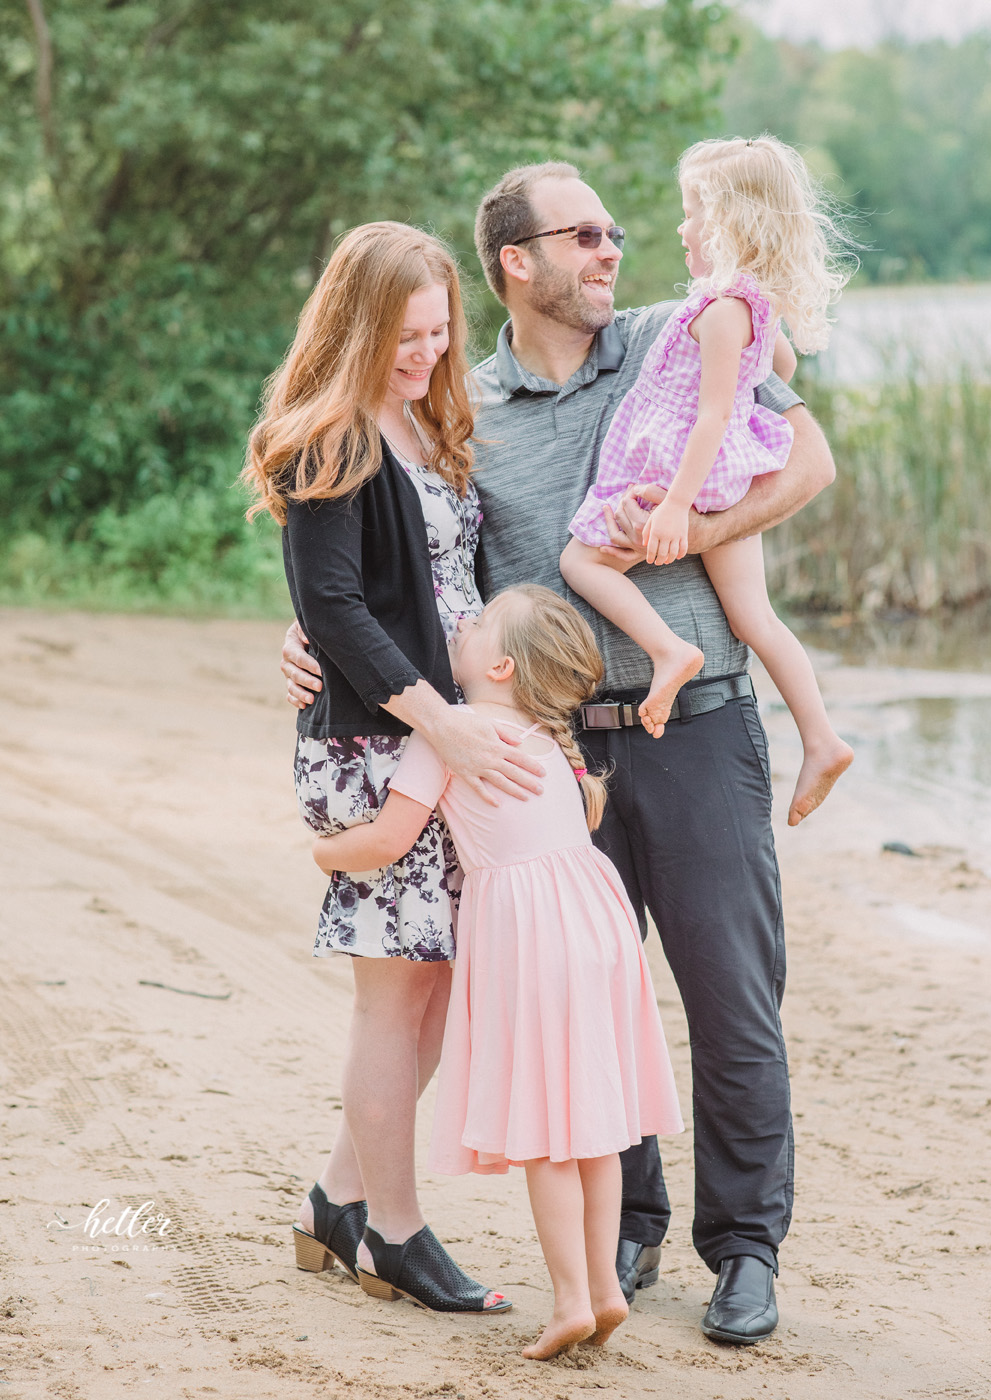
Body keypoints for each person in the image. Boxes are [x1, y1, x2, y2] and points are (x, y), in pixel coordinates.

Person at [282, 162, 839, 1345]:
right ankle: (623, 1230)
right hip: (540, 764)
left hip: (692, 727)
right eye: (581, 233)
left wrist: (692, 526)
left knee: (732, 1002)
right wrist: (312, 633)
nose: (610, 249)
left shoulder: (674, 337)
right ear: (513, 263)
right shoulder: (457, 406)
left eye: (616, 230)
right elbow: (409, 569)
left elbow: (809, 465)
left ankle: (742, 1250)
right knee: (591, 1001)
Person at [242, 221, 545, 1315]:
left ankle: (336, 1196)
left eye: (439, 330)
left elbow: (427, 585)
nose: (426, 353)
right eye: (406, 336)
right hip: (379, 742)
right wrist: (442, 722)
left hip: (440, 729)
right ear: (359, 325)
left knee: (439, 983)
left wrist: (473, 718)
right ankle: (394, 1231)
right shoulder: (325, 433)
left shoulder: (422, 424)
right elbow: (333, 604)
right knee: (394, 993)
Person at [311, 584, 684, 1360]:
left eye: (477, 621)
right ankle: (608, 1289)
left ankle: (573, 1301)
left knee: (547, 1132)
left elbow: (387, 839)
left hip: (531, 935)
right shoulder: (549, 740)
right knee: (596, 1128)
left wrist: (323, 851)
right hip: (597, 922)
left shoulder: (450, 734)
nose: (461, 624)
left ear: (503, 664)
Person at [561, 136, 853, 826]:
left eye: (691, 213)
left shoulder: (721, 308)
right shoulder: (753, 305)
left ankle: (670, 649)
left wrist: (677, 509)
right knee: (755, 618)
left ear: (728, 223)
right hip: (726, 477)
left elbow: (714, 413)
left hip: (679, 478)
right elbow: (775, 369)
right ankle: (820, 737)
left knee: (581, 561)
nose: (681, 228)